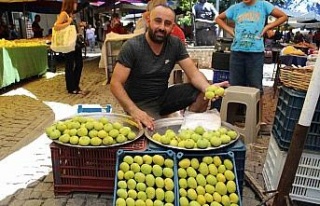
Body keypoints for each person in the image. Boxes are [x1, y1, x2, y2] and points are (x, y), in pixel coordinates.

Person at [110, 5, 228, 130]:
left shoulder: (175, 44)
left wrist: (208, 88)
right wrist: (134, 110)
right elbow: (115, 84)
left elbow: (193, 74)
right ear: (149, 21)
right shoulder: (132, 46)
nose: (162, 27)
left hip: (163, 96)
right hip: (140, 103)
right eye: (158, 21)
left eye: (167, 23)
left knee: (202, 91)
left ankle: (190, 127)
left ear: (173, 27)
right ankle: (147, 118)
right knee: (153, 133)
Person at [215, 0, 287, 94]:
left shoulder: (263, 5)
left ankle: (254, 108)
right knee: (235, 87)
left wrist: (267, 27)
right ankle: (237, 108)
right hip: (237, 52)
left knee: (255, 88)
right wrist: (230, 30)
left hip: (256, 53)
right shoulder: (235, 8)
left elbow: (283, 16)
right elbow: (218, 19)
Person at [53, 0, 85, 95]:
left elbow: (72, 29)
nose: (76, 4)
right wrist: (68, 22)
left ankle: (75, 85)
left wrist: (79, 26)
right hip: (69, 43)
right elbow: (56, 26)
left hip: (74, 42)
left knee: (79, 63)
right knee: (70, 64)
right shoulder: (64, 14)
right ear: (70, 3)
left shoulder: (71, 14)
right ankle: (71, 87)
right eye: (75, 2)